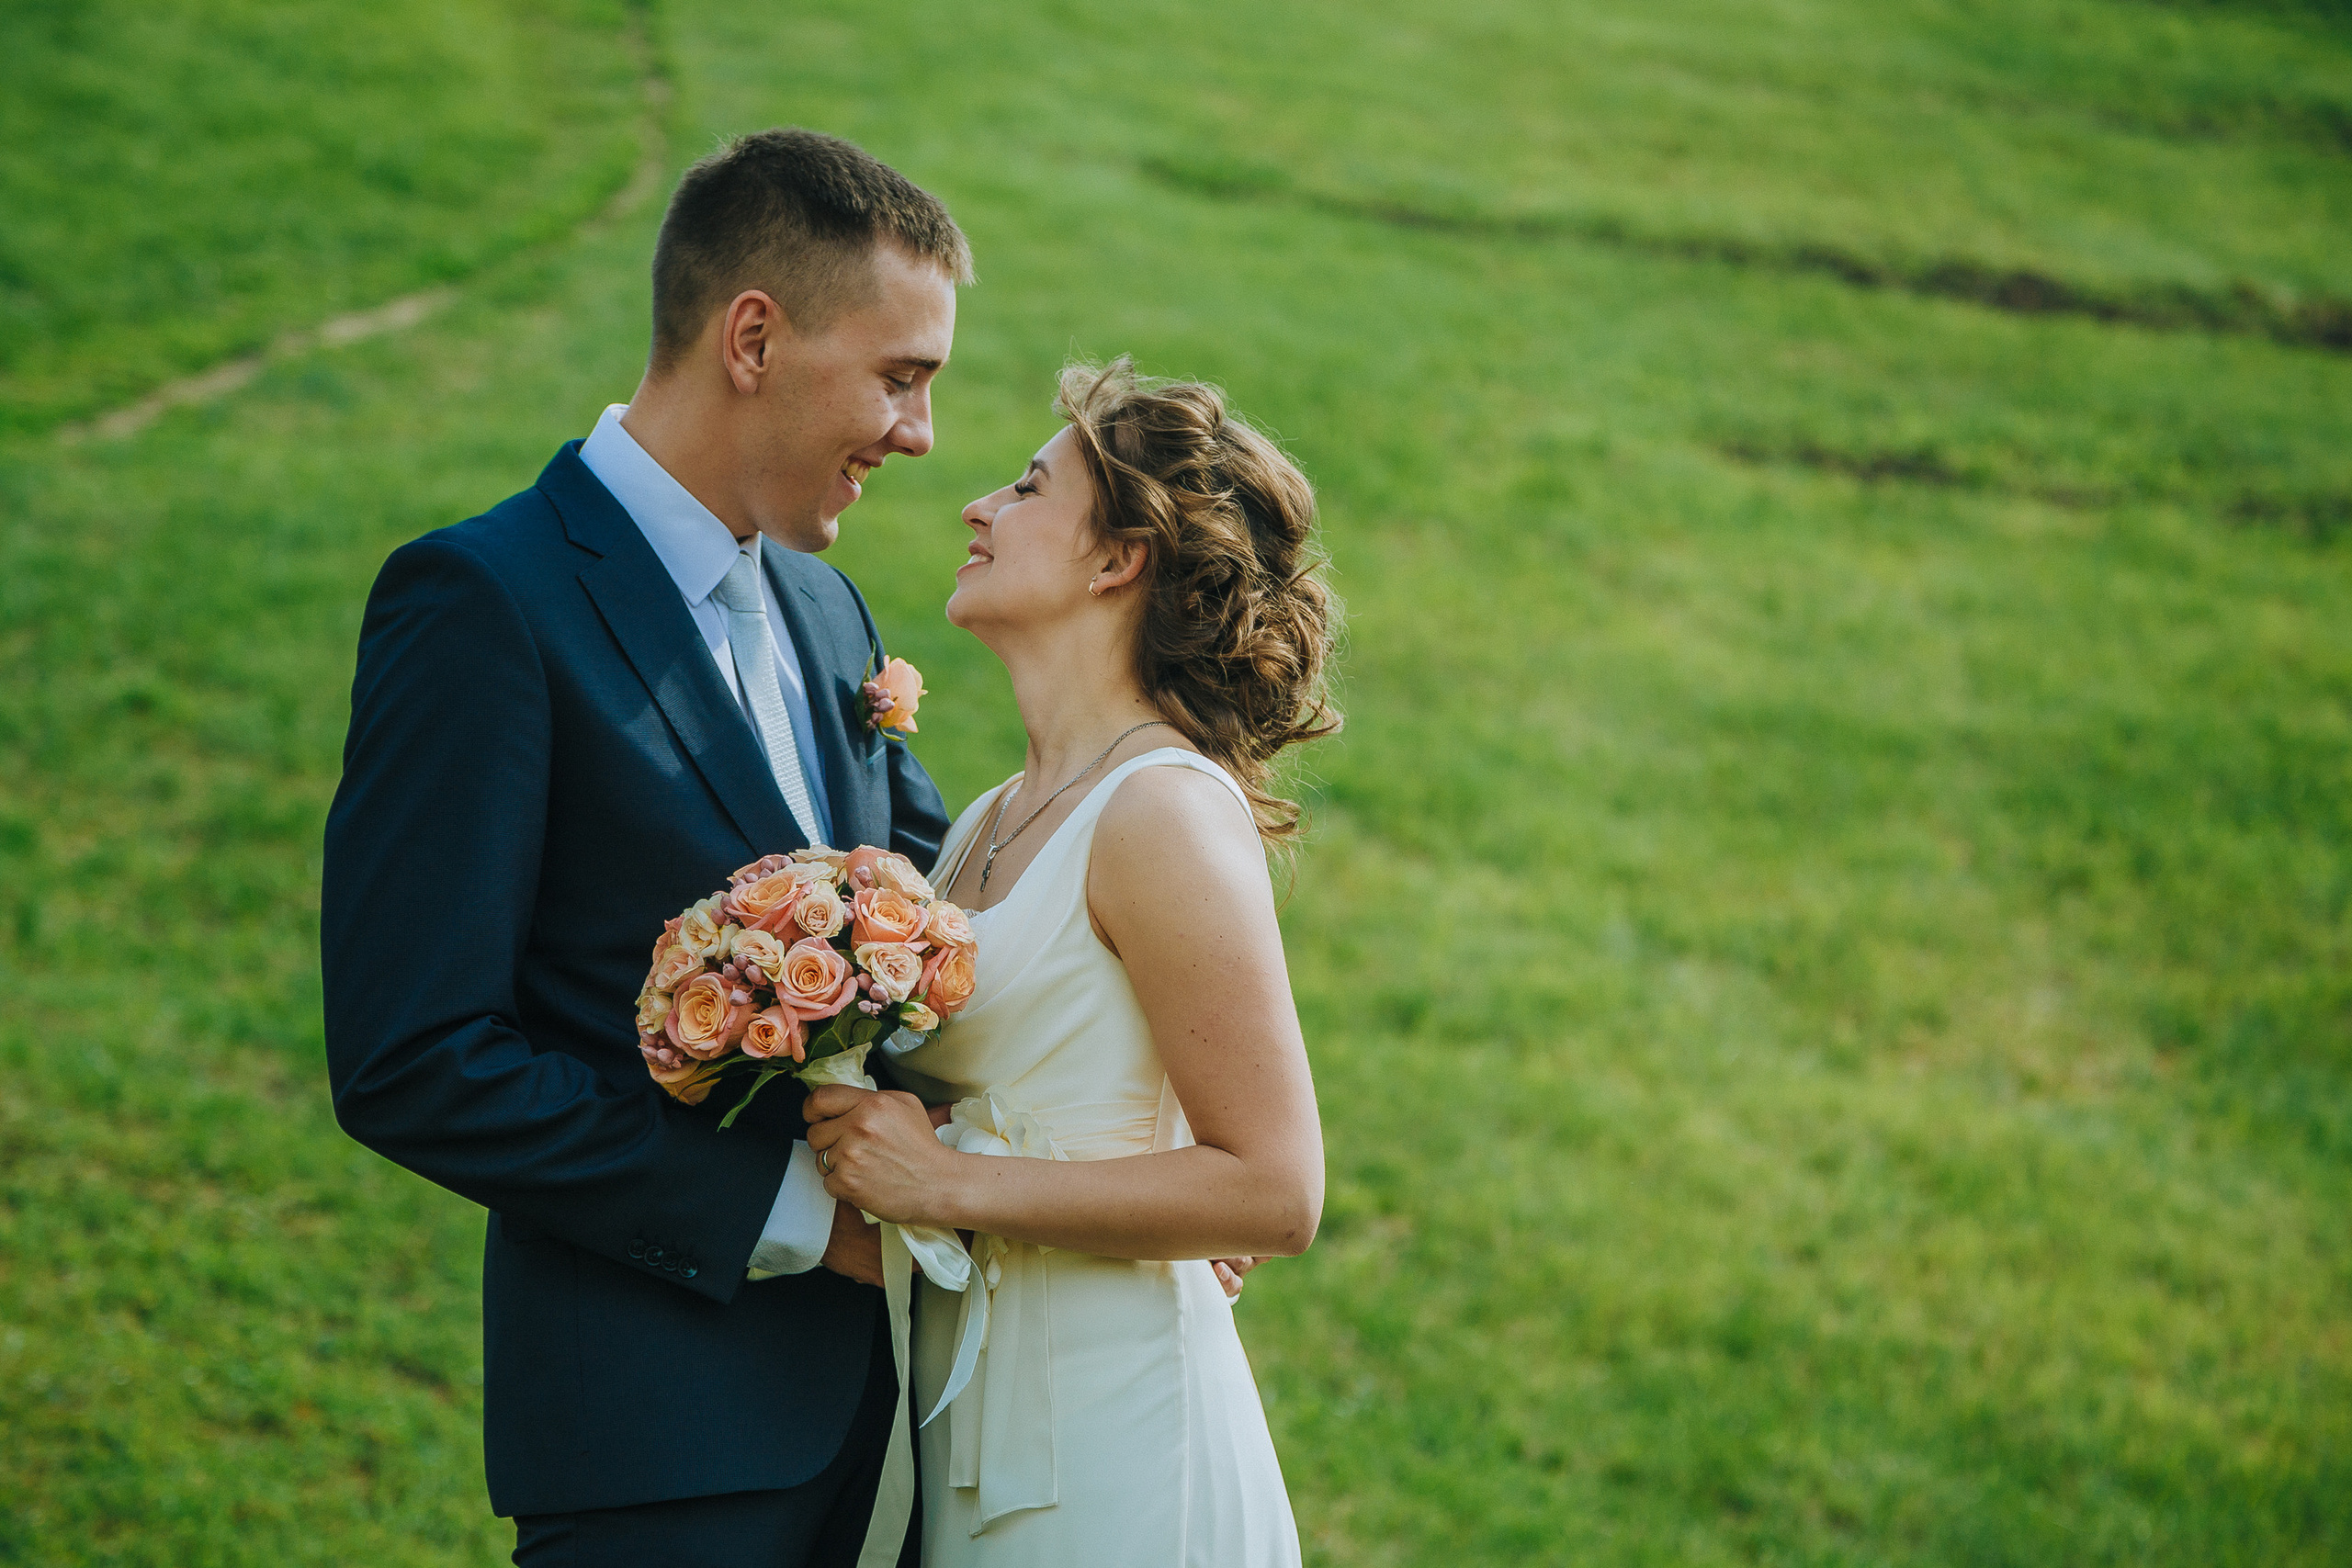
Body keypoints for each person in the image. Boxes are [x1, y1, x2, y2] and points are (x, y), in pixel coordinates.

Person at [321, 129, 968, 1567]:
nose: (920, 433)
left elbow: (950, 925)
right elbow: (414, 1057)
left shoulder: (827, 610)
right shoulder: (485, 603)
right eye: (900, 376)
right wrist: (807, 1215)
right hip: (660, 1460)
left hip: (910, 1440)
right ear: (753, 336)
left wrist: (1123, 1175)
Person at [804, 358, 1340, 1565]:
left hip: (1121, 1436)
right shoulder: (991, 816)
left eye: (1027, 487)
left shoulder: (1161, 814)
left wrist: (948, 1190)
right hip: (974, 1421)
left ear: (1116, 561)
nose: (977, 507)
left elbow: (1276, 1189)